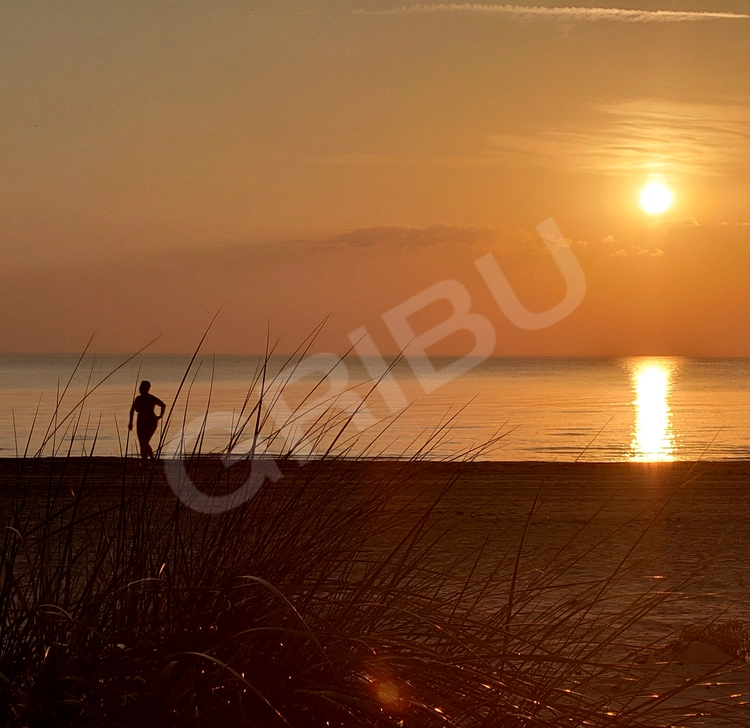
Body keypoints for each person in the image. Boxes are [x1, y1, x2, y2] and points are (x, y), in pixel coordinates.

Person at [128, 380, 166, 461]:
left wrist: (160, 416)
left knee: (144, 440)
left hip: (151, 420)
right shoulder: (138, 398)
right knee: (142, 441)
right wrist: (130, 422)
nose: (140, 389)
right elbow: (132, 410)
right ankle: (147, 460)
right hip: (141, 420)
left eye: (142, 388)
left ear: (147, 389)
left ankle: (149, 459)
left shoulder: (151, 398)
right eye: (140, 387)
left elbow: (163, 405)